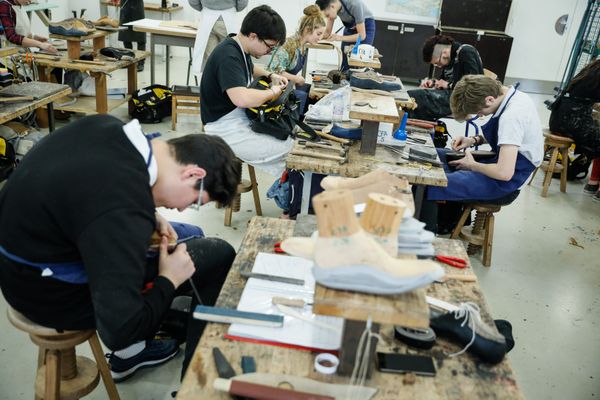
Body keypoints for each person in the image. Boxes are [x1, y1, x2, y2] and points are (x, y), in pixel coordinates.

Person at [0, 114, 241, 381]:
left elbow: (90, 190)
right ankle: (181, 376)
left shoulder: (110, 127)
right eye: (196, 201)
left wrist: (150, 214)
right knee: (217, 254)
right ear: (193, 173)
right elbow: (120, 331)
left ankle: (170, 317)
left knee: (191, 234)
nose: (184, 208)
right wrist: (168, 280)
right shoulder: (124, 210)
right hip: (46, 293)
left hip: (22, 255)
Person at [423, 75, 543, 232]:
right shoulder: (513, 96)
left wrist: (473, 165)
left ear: (490, 100)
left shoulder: (512, 117)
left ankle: (424, 242)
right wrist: (473, 140)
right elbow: (510, 136)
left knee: (430, 183)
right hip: (502, 164)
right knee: (432, 154)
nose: (480, 115)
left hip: (507, 182)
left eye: (479, 111)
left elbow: (504, 173)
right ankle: (446, 222)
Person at [201, 5, 291, 177]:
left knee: (289, 139)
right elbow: (241, 98)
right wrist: (272, 93)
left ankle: (289, 187)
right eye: (269, 47)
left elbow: (247, 68)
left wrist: (270, 75)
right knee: (291, 150)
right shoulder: (228, 56)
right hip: (224, 130)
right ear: (253, 36)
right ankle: (291, 192)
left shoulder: (238, 47)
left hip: (238, 120)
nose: (268, 52)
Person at [549, 59, 600, 199]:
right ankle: (594, 185)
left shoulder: (590, 71)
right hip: (574, 122)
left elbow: (586, 99)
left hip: (558, 119)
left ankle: (593, 183)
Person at [408, 34, 483, 121]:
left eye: (438, 62)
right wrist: (434, 83)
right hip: (454, 96)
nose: (439, 66)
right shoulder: (449, 59)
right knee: (414, 97)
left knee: (415, 98)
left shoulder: (465, 52)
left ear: (444, 52)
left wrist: (448, 85)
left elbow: (475, 85)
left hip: (465, 100)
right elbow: (445, 81)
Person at [266, 5, 326, 114]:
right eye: (318, 34)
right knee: (303, 96)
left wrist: (296, 80)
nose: (320, 38)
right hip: (274, 88)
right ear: (308, 30)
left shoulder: (302, 46)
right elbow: (273, 71)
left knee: (312, 91)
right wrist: (296, 78)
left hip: (286, 86)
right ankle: (294, 125)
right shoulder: (288, 45)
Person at [189, 0, 248, 77]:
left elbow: (193, 2)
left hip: (207, 18)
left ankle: (211, 85)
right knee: (229, 56)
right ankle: (228, 84)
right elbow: (242, 3)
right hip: (229, 18)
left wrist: (207, 8)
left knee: (210, 59)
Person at [316, 0, 375, 71]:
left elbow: (361, 36)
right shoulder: (333, 8)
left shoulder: (354, 4)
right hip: (350, 27)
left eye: (327, 15)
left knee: (360, 62)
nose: (327, 18)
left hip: (365, 27)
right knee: (345, 62)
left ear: (332, 6)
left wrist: (339, 37)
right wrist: (317, 37)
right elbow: (328, 32)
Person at [119, 0, 146, 72]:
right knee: (125, 35)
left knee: (140, 36)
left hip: (137, 5)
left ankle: (141, 62)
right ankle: (129, 61)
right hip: (125, 4)